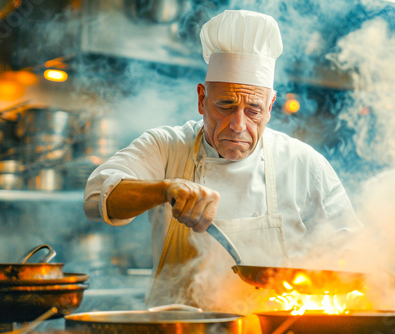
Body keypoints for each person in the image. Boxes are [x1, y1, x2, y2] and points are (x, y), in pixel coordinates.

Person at [84, 9, 362, 310]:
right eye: (226, 105)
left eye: (253, 110)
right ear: (202, 99)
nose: (239, 125)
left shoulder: (302, 162)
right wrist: (165, 189)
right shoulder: (166, 146)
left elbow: (352, 248)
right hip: (179, 329)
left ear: (270, 106)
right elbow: (97, 197)